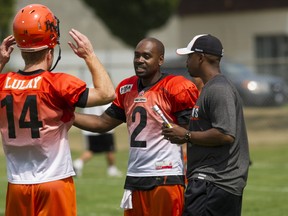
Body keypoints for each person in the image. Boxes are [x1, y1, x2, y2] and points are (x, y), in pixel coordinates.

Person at [0, 4, 115, 216]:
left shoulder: (3, 83)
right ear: (50, 50)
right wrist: (89, 55)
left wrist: (1, 62)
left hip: (16, 185)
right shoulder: (57, 84)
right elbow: (107, 93)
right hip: (54, 182)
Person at [73, 37, 199, 216]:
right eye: (137, 55)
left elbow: (194, 131)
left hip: (166, 176)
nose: (140, 60)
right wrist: (67, 116)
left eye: (146, 56)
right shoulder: (126, 87)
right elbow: (103, 123)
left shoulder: (175, 86)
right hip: (135, 176)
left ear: (160, 60)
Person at [162, 34, 250, 216]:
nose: (186, 62)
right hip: (210, 182)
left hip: (213, 182)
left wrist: (186, 136)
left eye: (189, 56)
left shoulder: (219, 88)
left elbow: (225, 134)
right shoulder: (210, 87)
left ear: (200, 57)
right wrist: (181, 132)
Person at [73, 103, 122, 177]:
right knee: (109, 150)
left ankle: (78, 163)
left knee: (92, 150)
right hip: (104, 127)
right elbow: (109, 111)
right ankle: (112, 169)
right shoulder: (104, 96)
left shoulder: (88, 96)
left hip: (89, 128)